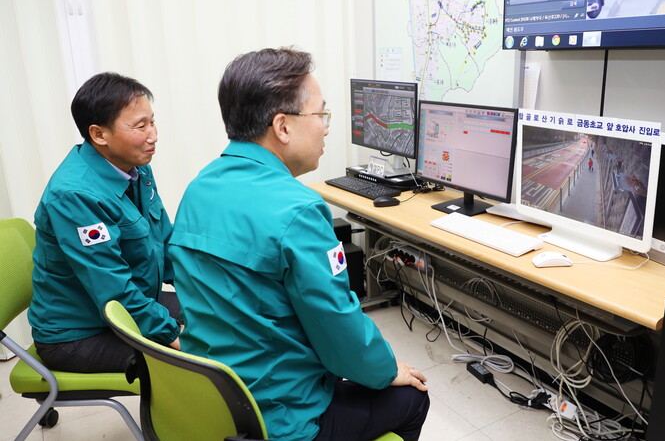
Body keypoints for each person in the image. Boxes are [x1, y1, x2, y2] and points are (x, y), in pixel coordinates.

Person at [169, 47, 430, 441]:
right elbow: (339, 329)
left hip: (211, 397)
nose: (326, 128)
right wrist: (387, 370)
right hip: (278, 417)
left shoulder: (199, 188)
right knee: (412, 398)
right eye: (321, 115)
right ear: (283, 126)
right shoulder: (299, 210)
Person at [28, 72, 182, 374]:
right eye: (140, 126)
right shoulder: (74, 196)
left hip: (132, 303)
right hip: (78, 335)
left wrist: (206, 290)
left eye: (152, 122)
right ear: (99, 135)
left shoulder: (135, 166)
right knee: (199, 360)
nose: (153, 135)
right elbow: (113, 290)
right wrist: (173, 334)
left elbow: (167, 244)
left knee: (221, 321)